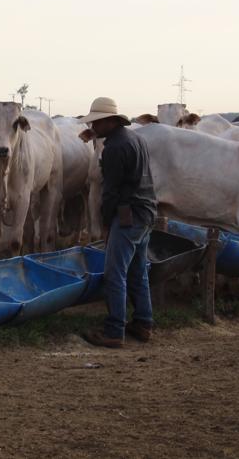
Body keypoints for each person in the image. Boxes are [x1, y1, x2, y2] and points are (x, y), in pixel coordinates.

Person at [78, 97, 158, 348]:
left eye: (97, 122)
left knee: (115, 273)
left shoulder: (113, 148)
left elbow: (110, 191)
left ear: (109, 121)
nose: (94, 128)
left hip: (127, 215)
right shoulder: (136, 139)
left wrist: (105, 222)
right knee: (138, 271)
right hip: (146, 211)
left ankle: (114, 331)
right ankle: (144, 323)